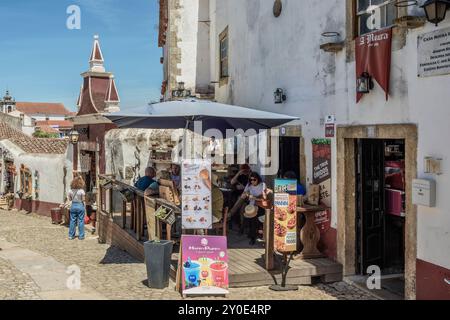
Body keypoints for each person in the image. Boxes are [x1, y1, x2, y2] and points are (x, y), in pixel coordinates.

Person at [68, 176, 86, 240]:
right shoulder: (81, 191)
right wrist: (84, 207)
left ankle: (71, 235)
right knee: (81, 221)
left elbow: (70, 199)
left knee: (72, 220)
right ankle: (81, 236)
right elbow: (83, 200)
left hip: (73, 205)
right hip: (80, 205)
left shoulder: (70, 191)